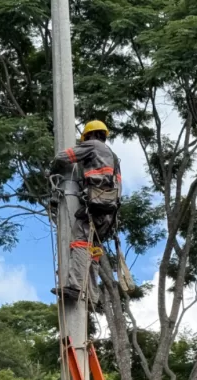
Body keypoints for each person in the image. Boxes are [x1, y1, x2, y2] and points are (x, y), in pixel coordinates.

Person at [50, 120, 122, 306]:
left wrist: (53, 170)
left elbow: (62, 157)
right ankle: (91, 294)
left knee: (80, 242)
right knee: (93, 249)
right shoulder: (114, 157)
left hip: (95, 205)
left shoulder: (92, 145)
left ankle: (75, 287)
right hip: (109, 213)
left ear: (89, 135)